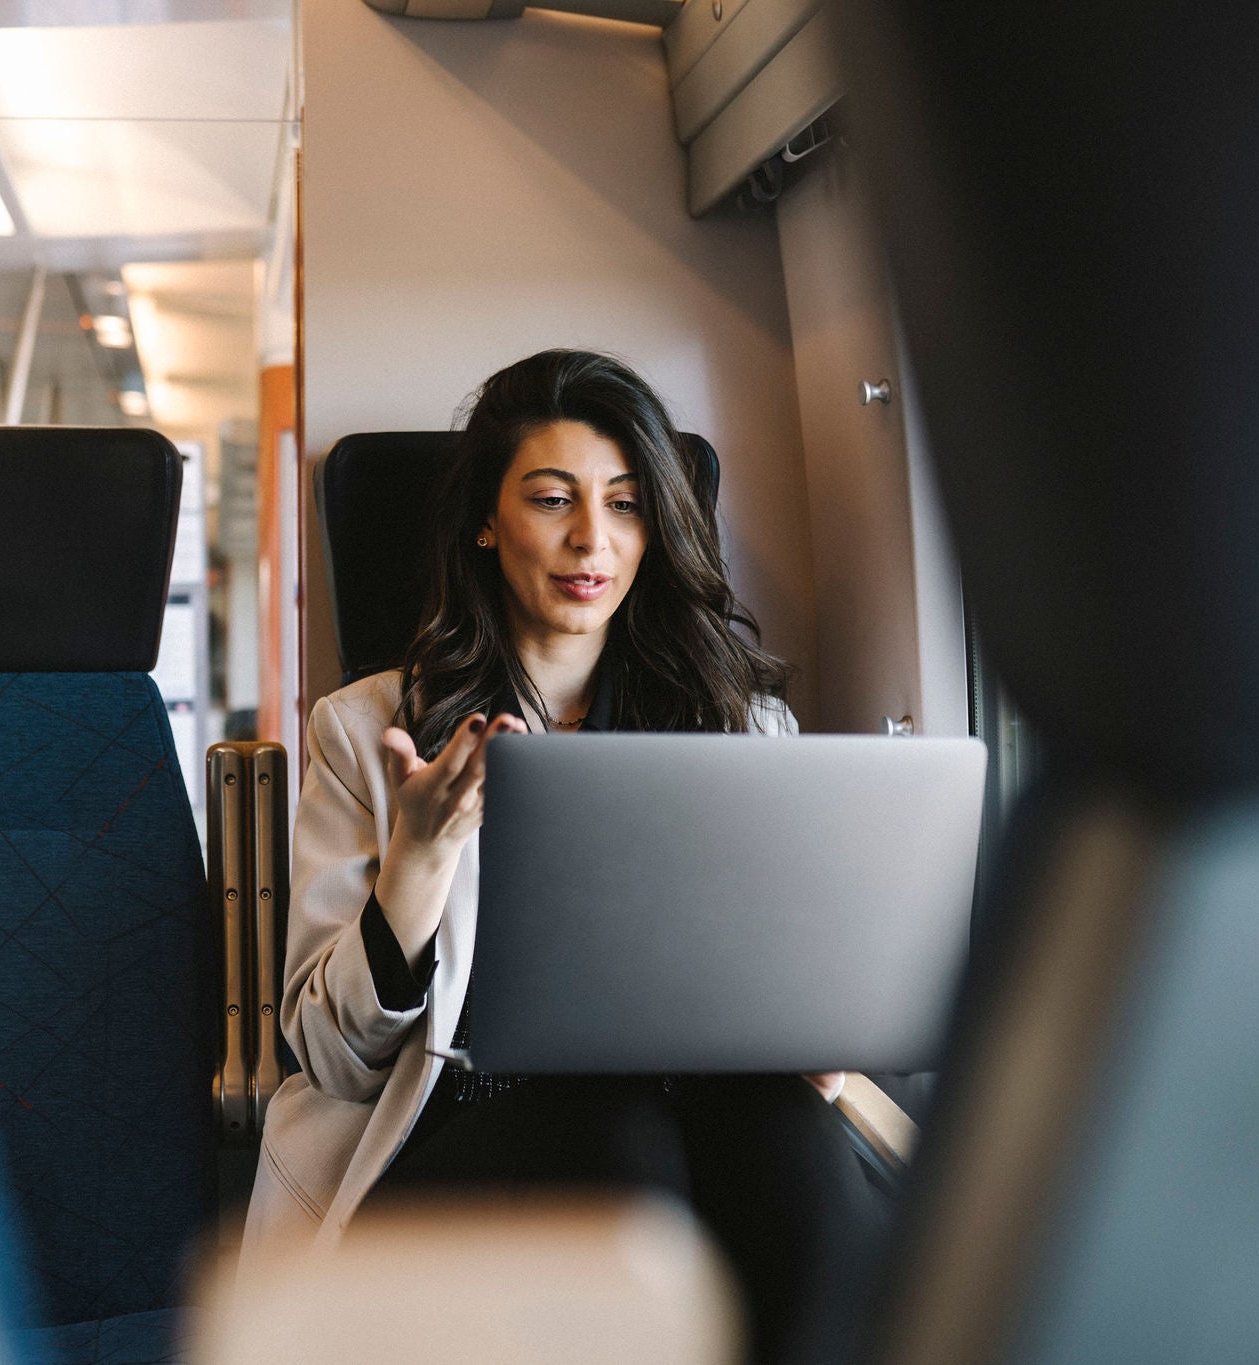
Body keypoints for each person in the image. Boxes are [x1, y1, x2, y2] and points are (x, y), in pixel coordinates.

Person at [242, 350, 874, 1362]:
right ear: (486, 522)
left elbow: (785, 1004)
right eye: (552, 499)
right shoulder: (365, 732)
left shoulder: (744, 730)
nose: (591, 538)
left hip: (693, 1110)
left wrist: (814, 1030)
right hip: (450, 1128)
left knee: (797, 1150)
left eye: (624, 505)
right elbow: (329, 1059)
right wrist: (418, 858)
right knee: (611, 1137)